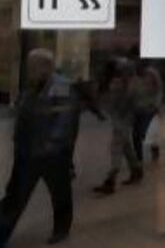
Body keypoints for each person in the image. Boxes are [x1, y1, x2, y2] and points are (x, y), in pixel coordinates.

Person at [0, 49, 78, 246]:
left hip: (52, 154)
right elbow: (23, 117)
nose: (29, 69)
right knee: (14, 196)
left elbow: (65, 122)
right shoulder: (32, 87)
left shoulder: (61, 86)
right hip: (27, 152)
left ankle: (61, 228)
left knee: (60, 193)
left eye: (33, 65)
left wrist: (50, 146)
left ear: (46, 66)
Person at [93, 58, 143, 195]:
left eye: (122, 71)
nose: (120, 74)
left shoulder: (132, 85)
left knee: (116, 148)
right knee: (126, 147)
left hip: (125, 121)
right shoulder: (124, 83)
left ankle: (111, 179)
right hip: (120, 120)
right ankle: (136, 170)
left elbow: (130, 104)